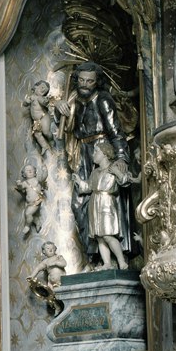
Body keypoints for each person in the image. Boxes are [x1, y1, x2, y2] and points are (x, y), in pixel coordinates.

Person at [63, 62, 133, 262]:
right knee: (79, 203)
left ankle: (111, 258)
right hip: (83, 152)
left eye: (89, 81)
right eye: (81, 80)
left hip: (102, 150)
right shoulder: (74, 99)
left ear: (97, 82)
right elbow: (66, 127)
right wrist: (61, 108)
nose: (84, 84)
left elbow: (116, 131)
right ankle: (93, 256)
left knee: (107, 201)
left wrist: (121, 157)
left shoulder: (103, 99)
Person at [76, 141, 135, 269]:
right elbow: (89, 187)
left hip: (107, 202)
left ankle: (121, 262)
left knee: (108, 234)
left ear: (105, 154)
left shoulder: (114, 168)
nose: (93, 154)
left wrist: (117, 172)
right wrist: (80, 182)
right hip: (94, 203)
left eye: (96, 151)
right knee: (99, 237)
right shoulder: (95, 172)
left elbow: (125, 182)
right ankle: (107, 263)